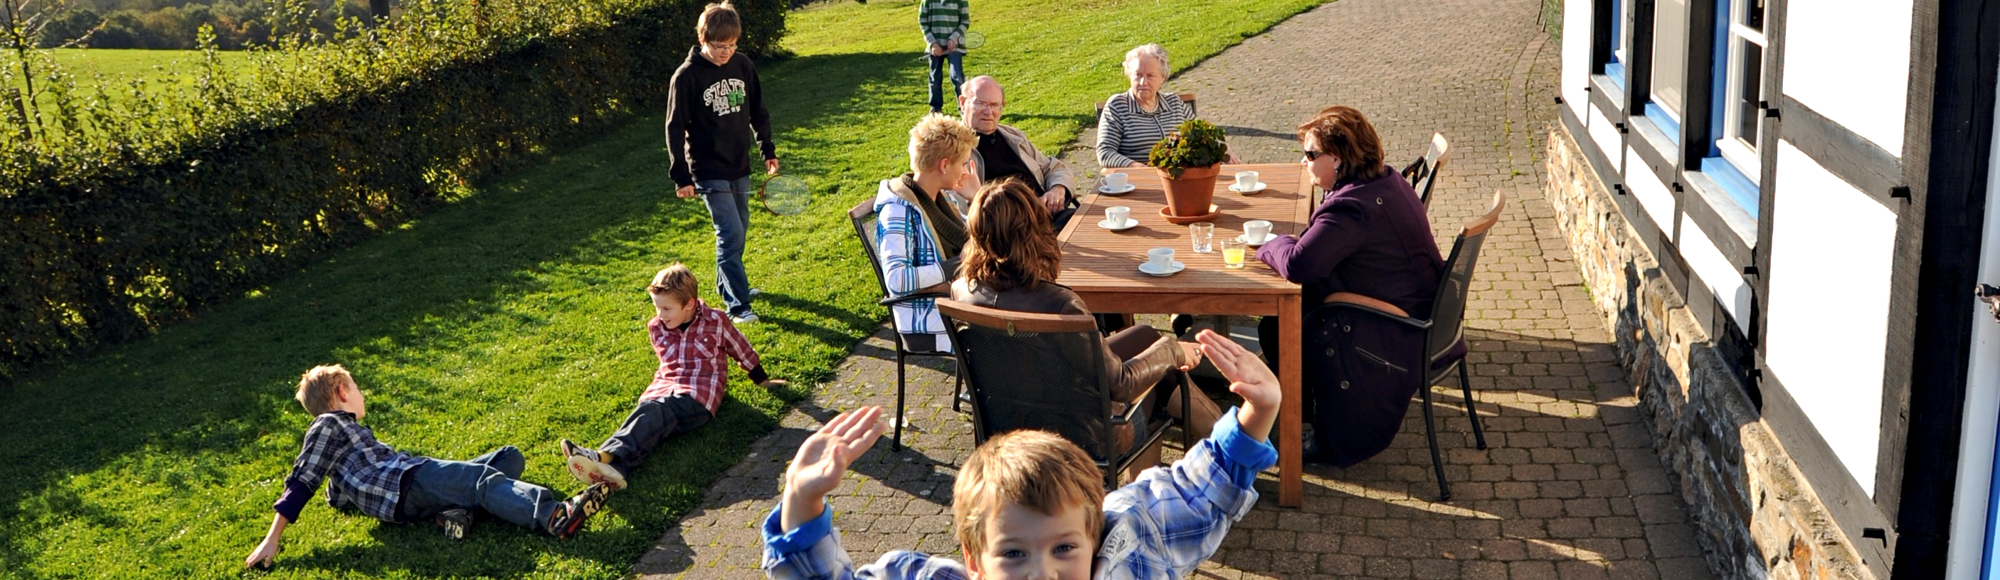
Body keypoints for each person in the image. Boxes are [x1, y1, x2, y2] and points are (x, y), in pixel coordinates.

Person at [760, 329, 1279, 579]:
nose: (1043, 573)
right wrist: (801, 501)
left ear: (1093, 538)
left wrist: (1257, 413)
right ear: (974, 562)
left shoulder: (1130, 541)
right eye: (1013, 554)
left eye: (1064, 550)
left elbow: (1193, 495)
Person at [950, 178, 1224, 477]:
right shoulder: (1060, 304)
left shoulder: (962, 291)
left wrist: (1159, 347)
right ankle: (1229, 447)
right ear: (1033, 231)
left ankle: (1231, 439)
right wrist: (1173, 351)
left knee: (1145, 337)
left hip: (1008, 423)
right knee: (1162, 375)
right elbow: (1122, 384)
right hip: (1083, 435)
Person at [243, 365, 608, 569]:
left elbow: (334, 491)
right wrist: (271, 540)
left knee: (508, 457)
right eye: (355, 387)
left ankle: (456, 514)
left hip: (408, 490)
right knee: (480, 478)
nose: (361, 394)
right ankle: (552, 515)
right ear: (341, 391)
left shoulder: (346, 436)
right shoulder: (328, 424)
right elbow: (302, 481)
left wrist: (340, 497)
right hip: (407, 481)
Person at [1256, 105, 1452, 467]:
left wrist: (1269, 244)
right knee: (1277, 322)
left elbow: (1300, 265)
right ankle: (1306, 409)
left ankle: (1323, 433)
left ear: (1339, 159)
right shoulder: (1385, 181)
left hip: (1398, 330)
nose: (1304, 162)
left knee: (1280, 323)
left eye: (1311, 154)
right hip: (1426, 311)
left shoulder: (1352, 209)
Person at [560, 264, 786, 491]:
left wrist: (762, 380)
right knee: (651, 420)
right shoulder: (656, 327)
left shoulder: (715, 321)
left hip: (698, 396)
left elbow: (741, 348)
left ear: (689, 304)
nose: (660, 315)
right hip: (662, 390)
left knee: (657, 412)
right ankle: (617, 471)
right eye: (657, 307)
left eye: (667, 308)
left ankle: (601, 456)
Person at [666, 1, 780, 325]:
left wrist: (767, 149)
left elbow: (758, 110)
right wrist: (681, 177)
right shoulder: (686, 77)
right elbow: (674, 128)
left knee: (739, 231)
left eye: (731, 45)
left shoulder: (742, 65)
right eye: (719, 46)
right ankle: (737, 305)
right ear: (703, 39)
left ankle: (731, 283)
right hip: (706, 169)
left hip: (738, 163)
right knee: (729, 233)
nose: (726, 52)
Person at [875, 113, 980, 353]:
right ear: (944, 165)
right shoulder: (898, 211)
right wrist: (958, 264)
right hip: (931, 323)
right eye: (963, 163)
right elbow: (897, 280)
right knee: (1017, 335)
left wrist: (976, 198)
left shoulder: (939, 198)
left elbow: (976, 239)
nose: (965, 171)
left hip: (956, 305)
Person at [958, 76, 1079, 228]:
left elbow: (1053, 168)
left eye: (995, 105)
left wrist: (1058, 190)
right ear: (962, 103)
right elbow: (964, 210)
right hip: (1012, 232)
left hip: (1050, 217)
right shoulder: (955, 149)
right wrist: (1030, 210)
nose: (988, 112)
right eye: (981, 104)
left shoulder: (1013, 136)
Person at [1096, 43, 1195, 168]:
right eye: (1138, 75)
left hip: (1179, 176)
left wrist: (1221, 148)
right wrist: (1138, 168)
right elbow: (1105, 153)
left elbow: (1201, 135)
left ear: (1162, 78)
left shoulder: (1174, 103)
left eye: (1150, 76)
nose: (1143, 82)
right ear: (1130, 76)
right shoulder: (1118, 106)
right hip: (1136, 181)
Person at [919, 0, 969, 114]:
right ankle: (936, 109)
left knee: (957, 77)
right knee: (935, 78)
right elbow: (922, 22)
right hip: (935, 47)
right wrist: (933, 43)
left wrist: (954, 38)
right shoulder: (927, 1)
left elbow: (965, 21)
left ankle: (964, 108)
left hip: (954, 46)